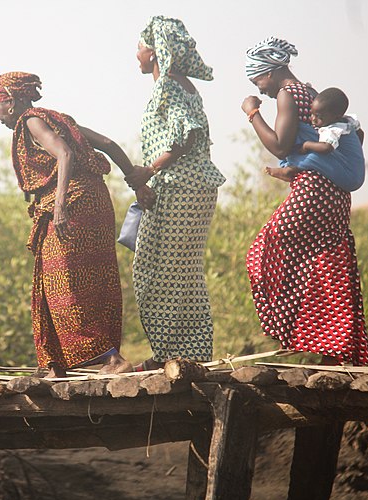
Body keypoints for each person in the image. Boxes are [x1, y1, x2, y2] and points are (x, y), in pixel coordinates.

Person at [0, 72, 135, 378]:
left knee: (64, 285)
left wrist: (59, 207)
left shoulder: (31, 120)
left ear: (12, 103)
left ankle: (111, 361)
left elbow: (64, 153)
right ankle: (56, 363)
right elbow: (107, 143)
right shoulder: (58, 119)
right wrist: (135, 180)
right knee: (88, 281)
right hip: (95, 201)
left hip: (72, 205)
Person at [241, 37, 368, 366]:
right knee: (325, 262)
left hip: (313, 190)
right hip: (335, 194)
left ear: (270, 72)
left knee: (268, 246)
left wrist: (253, 112)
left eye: (259, 81)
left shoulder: (288, 94)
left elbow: (281, 147)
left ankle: (293, 326)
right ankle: (331, 345)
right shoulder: (312, 94)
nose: (262, 88)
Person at [123, 17, 225, 371]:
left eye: (139, 46)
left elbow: (187, 137)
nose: (136, 54)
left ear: (154, 52)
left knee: (154, 270)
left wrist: (148, 171)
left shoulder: (167, 84)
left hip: (183, 187)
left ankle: (174, 353)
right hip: (186, 187)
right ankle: (182, 352)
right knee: (178, 272)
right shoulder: (181, 86)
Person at [265, 87, 366, 192]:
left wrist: (306, 145)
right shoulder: (348, 121)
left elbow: (326, 148)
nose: (313, 119)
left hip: (349, 178)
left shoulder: (333, 129)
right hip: (356, 172)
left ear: (335, 117)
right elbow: (361, 134)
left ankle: (290, 170)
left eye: (318, 116)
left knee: (315, 157)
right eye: (311, 113)